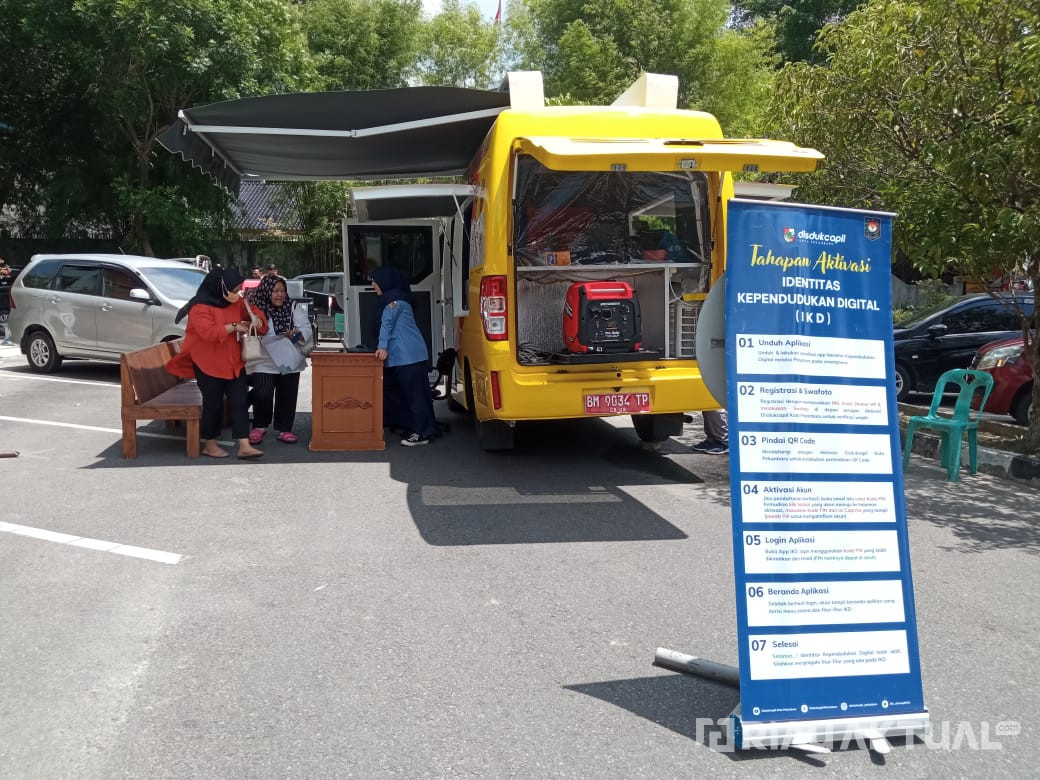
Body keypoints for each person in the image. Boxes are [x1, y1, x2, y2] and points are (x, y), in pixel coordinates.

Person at [166, 268, 269, 459]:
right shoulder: (199, 308)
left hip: (232, 361)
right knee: (212, 404)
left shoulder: (236, 301)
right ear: (222, 287)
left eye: (239, 289)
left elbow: (253, 312)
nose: (238, 293)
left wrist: (259, 322)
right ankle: (210, 444)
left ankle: (244, 445)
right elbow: (208, 334)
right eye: (235, 289)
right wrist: (234, 326)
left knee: (239, 402)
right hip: (207, 362)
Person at [370, 267, 438, 447]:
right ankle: (424, 428)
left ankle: (423, 433)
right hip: (408, 356)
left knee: (415, 396)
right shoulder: (395, 298)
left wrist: (382, 347)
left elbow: (387, 323)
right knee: (414, 395)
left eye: (375, 281)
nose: (373, 285)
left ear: (384, 281)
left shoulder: (395, 301)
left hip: (409, 357)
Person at [246, 275, 304, 444]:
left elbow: (304, 332)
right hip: (264, 359)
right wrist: (278, 335)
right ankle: (259, 426)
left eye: (283, 291)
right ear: (266, 291)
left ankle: (285, 429)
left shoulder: (293, 307)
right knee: (262, 393)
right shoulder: (257, 308)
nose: (280, 295)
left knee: (287, 395)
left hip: (289, 359)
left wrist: (294, 335)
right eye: (275, 291)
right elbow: (257, 332)